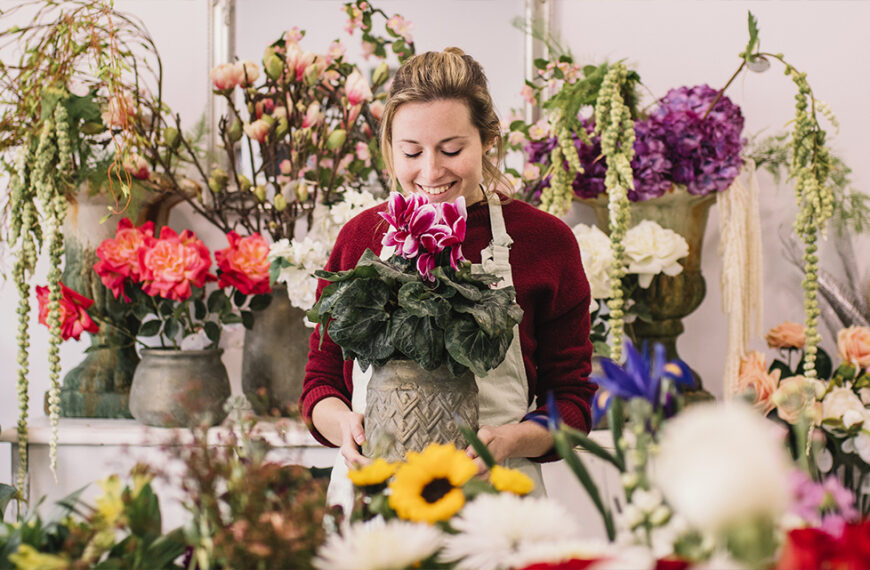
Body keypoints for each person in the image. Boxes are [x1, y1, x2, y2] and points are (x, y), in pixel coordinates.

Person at [300, 47, 595, 509]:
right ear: (390, 146)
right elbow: (320, 382)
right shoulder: (361, 237)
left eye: (452, 150)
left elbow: (573, 403)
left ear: (489, 141)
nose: (431, 172)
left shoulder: (545, 242)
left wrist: (511, 441)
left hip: (497, 500)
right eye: (411, 152)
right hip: (374, 497)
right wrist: (346, 429)